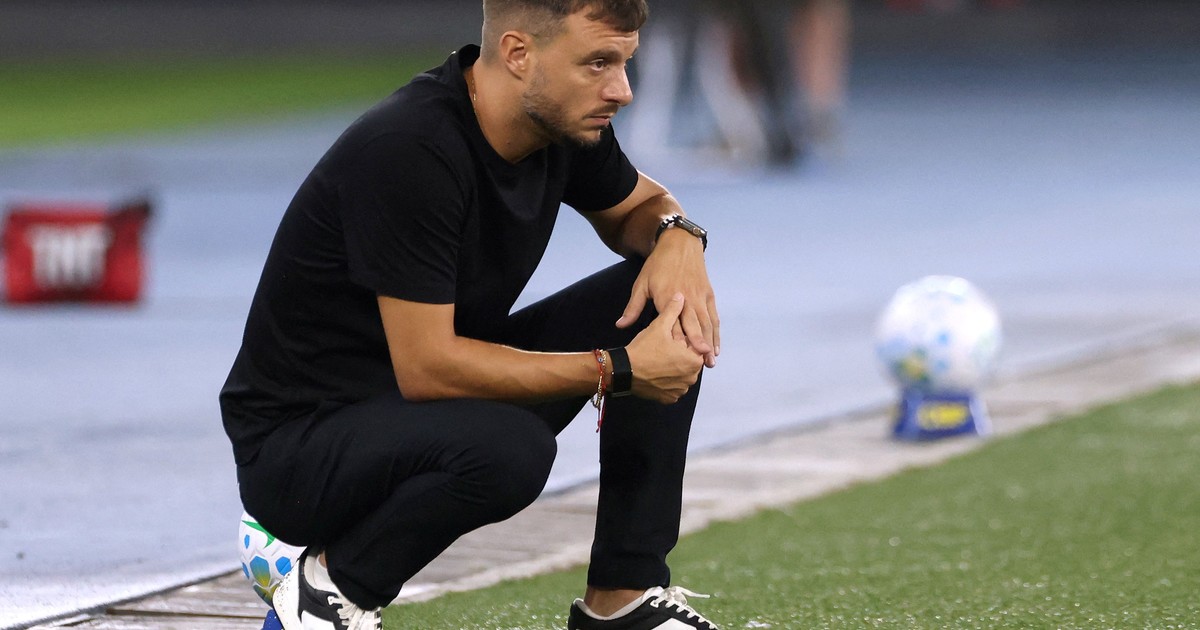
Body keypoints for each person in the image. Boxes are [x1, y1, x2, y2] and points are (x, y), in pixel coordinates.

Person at [218, 1, 722, 628]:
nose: (621, 90)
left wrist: (679, 236)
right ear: (518, 54)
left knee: (664, 309)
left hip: (418, 408)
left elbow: (641, 207)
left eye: (624, 63)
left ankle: (623, 600)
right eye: (597, 63)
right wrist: (616, 369)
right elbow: (428, 368)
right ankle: (327, 592)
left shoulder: (563, 121)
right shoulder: (410, 148)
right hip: (301, 447)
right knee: (512, 452)